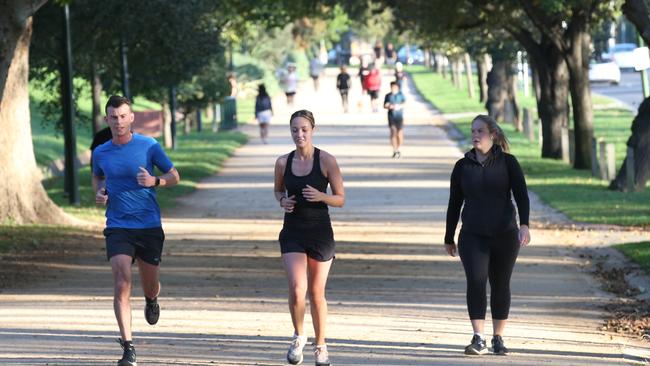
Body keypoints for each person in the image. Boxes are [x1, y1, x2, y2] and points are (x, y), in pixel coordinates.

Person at [93, 95, 180, 366]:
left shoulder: (149, 146)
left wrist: (155, 180)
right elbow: (98, 176)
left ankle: (151, 299)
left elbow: (174, 176)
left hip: (148, 225)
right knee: (121, 282)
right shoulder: (101, 152)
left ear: (131, 118)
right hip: (118, 225)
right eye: (113, 117)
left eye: (122, 116)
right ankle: (128, 347)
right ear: (107, 120)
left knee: (149, 284)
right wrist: (100, 191)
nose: (118, 122)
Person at [444, 114, 531, 356]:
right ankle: (478, 337)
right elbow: (454, 203)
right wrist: (449, 236)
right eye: (473, 131)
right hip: (472, 235)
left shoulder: (509, 163)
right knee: (476, 281)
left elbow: (522, 196)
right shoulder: (462, 167)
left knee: (501, 284)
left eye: (480, 131)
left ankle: (498, 337)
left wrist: (524, 225)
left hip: (504, 234)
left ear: (493, 134)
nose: (475, 135)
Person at [274, 110, 345, 366]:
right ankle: (298, 336)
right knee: (296, 288)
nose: (299, 134)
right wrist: (283, 200)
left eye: (304, 129)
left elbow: (340, 198)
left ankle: (321, 345)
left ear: (312, 129)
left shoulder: (326, 161)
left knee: (316, 293)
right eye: (294, 129)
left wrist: (321, 197)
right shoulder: (283, 162)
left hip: (320, 232)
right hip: (293, 230)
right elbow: (277, 189)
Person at [383, 81, 406, 158]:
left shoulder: (401, 95)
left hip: (399, 116)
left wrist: (399, 106)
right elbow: (385, 105)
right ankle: (394, 150)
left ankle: (399, 148)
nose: (393, 88)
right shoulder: (388, 96)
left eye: (394, 87)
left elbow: (405, 103)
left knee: (399, 133)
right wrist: (389, 106)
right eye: (391, 87)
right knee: (393, 132)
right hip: (391, 116)